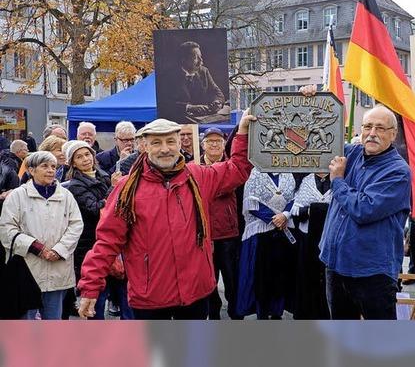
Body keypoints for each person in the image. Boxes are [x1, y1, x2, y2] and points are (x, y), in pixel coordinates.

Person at [77, 115, 254, 320]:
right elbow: (108, 240)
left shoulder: (199, 177)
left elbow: (238, 168)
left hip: (195, 293)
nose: (164, 149)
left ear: (179, 143)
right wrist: (90, 285)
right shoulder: (126, 188)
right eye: (156, 142)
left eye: (170, 141)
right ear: (144, 146)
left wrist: (243, 131)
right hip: (149, 297)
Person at [320, 104, 411, 320]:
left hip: (372, 272)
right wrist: (312, 101)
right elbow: (314, 147)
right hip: (336, 264)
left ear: (393, 134)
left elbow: (363, 209)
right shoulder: (351, 153)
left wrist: (338, 181)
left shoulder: (398, 172)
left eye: (380, 128)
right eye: (368, 126)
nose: (372, 133)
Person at [0, 151, 83, 319]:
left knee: (53, 321)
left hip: (57, 267)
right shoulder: (17, 196)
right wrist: (36, 247)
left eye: (53, 166)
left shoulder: (66, 196)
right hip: (26, 269)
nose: (51, 170)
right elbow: (7, 229)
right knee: (25, 322)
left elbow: (76, 225)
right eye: (44, 166)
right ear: (31, 170)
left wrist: (59, 250)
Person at [61, 140, 132, 319]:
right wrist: (113, 189)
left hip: (113, 245)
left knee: (126, 297)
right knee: (97, 298)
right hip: (91, 245)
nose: (85, 159)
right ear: (72, 162)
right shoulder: (74, 185)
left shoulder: (102, 175)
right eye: (79, 157)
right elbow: (95, 209)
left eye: (87, 155)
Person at [236, 169, 297, 319]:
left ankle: (277, 311)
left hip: (282, 233)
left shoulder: (287, 173)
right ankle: (262, 312)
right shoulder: (256, 172)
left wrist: (285, 215)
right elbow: (251, 201)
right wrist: (275, 219)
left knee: (280, 274)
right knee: (261, 276)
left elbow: (295, 198)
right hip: (261, 236)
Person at [201, 127, 243, 320]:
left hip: (228, 235)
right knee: (209, 282)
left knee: (232, 280)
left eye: (218, 141)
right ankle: (214, 314)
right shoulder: (195, 168)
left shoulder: (231, 167)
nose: (214, 144)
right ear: (203, 145)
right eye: (210, 141)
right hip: (205, 236)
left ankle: (236, 314)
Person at [290, 172, 332, 319]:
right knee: (307, 276)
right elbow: (295, 210)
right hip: (307, 238)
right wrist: (311, 210)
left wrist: (315, 208)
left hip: (330, 238)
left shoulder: (338, 178)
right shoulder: (306, 181)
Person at [157, 41, 226, 123]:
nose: (201, 61)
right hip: (179, 122)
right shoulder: (168, 76)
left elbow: (218, 93)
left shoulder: (204, 71)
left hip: (204, 119)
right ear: (184, 60)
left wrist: (217, 102)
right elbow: (165, 104)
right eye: (196, 58)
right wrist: (189, 107)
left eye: (201, 57)